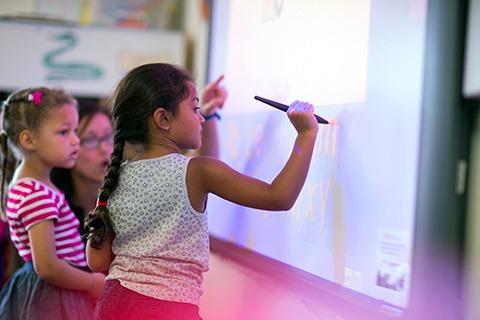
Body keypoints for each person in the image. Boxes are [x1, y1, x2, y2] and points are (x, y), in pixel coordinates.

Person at [84, 63, 318, 320]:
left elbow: (97, 261)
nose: (201, 118)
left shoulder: (116, 176)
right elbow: (279, 196)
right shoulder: (198, 172)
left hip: (114, 304)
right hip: (167, 310)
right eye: (195, 109)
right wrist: (306, 135)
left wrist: (212, 114)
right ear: (163, 119)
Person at [51, 77, 227, 238]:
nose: (104, 148)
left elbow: (197, 170)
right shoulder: (54, 209)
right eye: (89, 140)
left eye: (107, 136)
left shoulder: (135, 184)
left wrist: (206, 113)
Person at [0, 88, 105, 319]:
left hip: (56, 289)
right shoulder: (36, 194)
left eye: (75, 131)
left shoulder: (33, 185)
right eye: (64, 132)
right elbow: (47, 266)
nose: (75, 141)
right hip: (53, 296)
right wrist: (91, 282)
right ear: (28, 140)